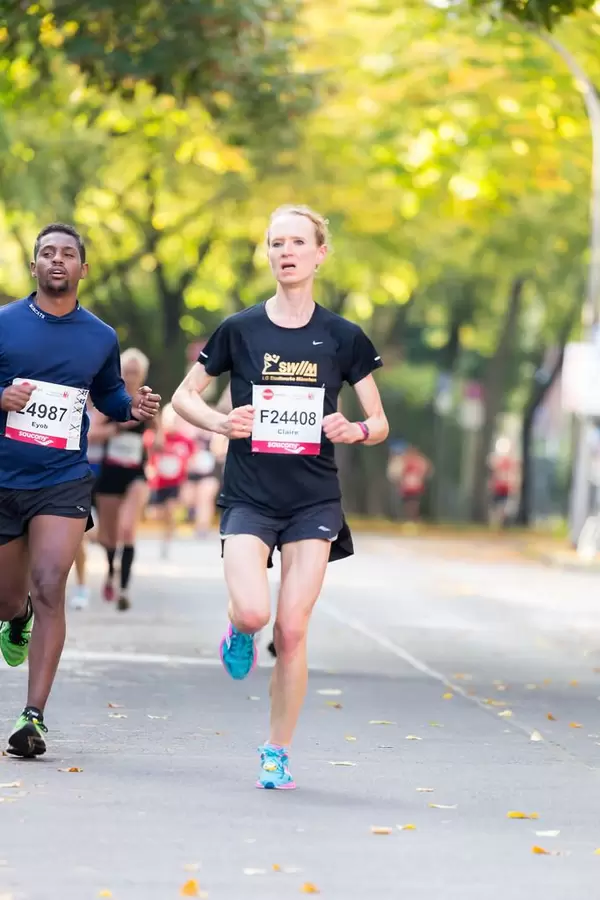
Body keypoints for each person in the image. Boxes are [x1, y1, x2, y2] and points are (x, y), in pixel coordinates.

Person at [172, 204, 388, 789]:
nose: (285, 251)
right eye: (275, 243)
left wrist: (353, 430)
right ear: (267, 254)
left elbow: (379, 421)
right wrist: (221, 424)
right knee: (255, 612)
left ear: (320, 253)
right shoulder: (239, 330)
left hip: (313, 499)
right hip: (250, 494)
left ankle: (277, 750)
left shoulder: (344, 337)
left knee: (292, 628)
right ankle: (238, 631)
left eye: (297, 242)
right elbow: (182, 398)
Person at [0, 223, 160, 758]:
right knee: (8, 598)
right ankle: (15, 617)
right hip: (4, 476)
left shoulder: (99, 336)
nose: (57, 261)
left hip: (61, 480)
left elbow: (109, 393)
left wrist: (130, 408)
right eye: (47, 253)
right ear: (34, 266)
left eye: (68, 253)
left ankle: (33, 717)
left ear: (83, 269)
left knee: (50, 583)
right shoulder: (5, 324)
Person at [93, 348, 155, 610]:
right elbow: (91, 434)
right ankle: (110, 570)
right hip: (109, 473)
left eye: (135, 372)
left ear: (142, 374)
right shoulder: (111, 400)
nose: (131, 376)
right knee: (108, 536)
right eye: (127, 372)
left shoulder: (147, 401)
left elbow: (158, 434)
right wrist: (118, 428)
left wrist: (156, 440)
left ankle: (124, 588)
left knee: (127, 529)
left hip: (136, 474)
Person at [148, 403, 195, 557]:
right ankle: (157, 536)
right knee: (154, 514)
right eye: (170, 419)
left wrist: (186, 482)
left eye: (176, 419)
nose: (173, 422)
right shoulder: (156, 437)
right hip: (157, 482)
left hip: (175, 483)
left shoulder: (186, 441)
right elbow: (148, 456)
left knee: (170, 511)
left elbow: (190, 461)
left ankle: (166, 541)